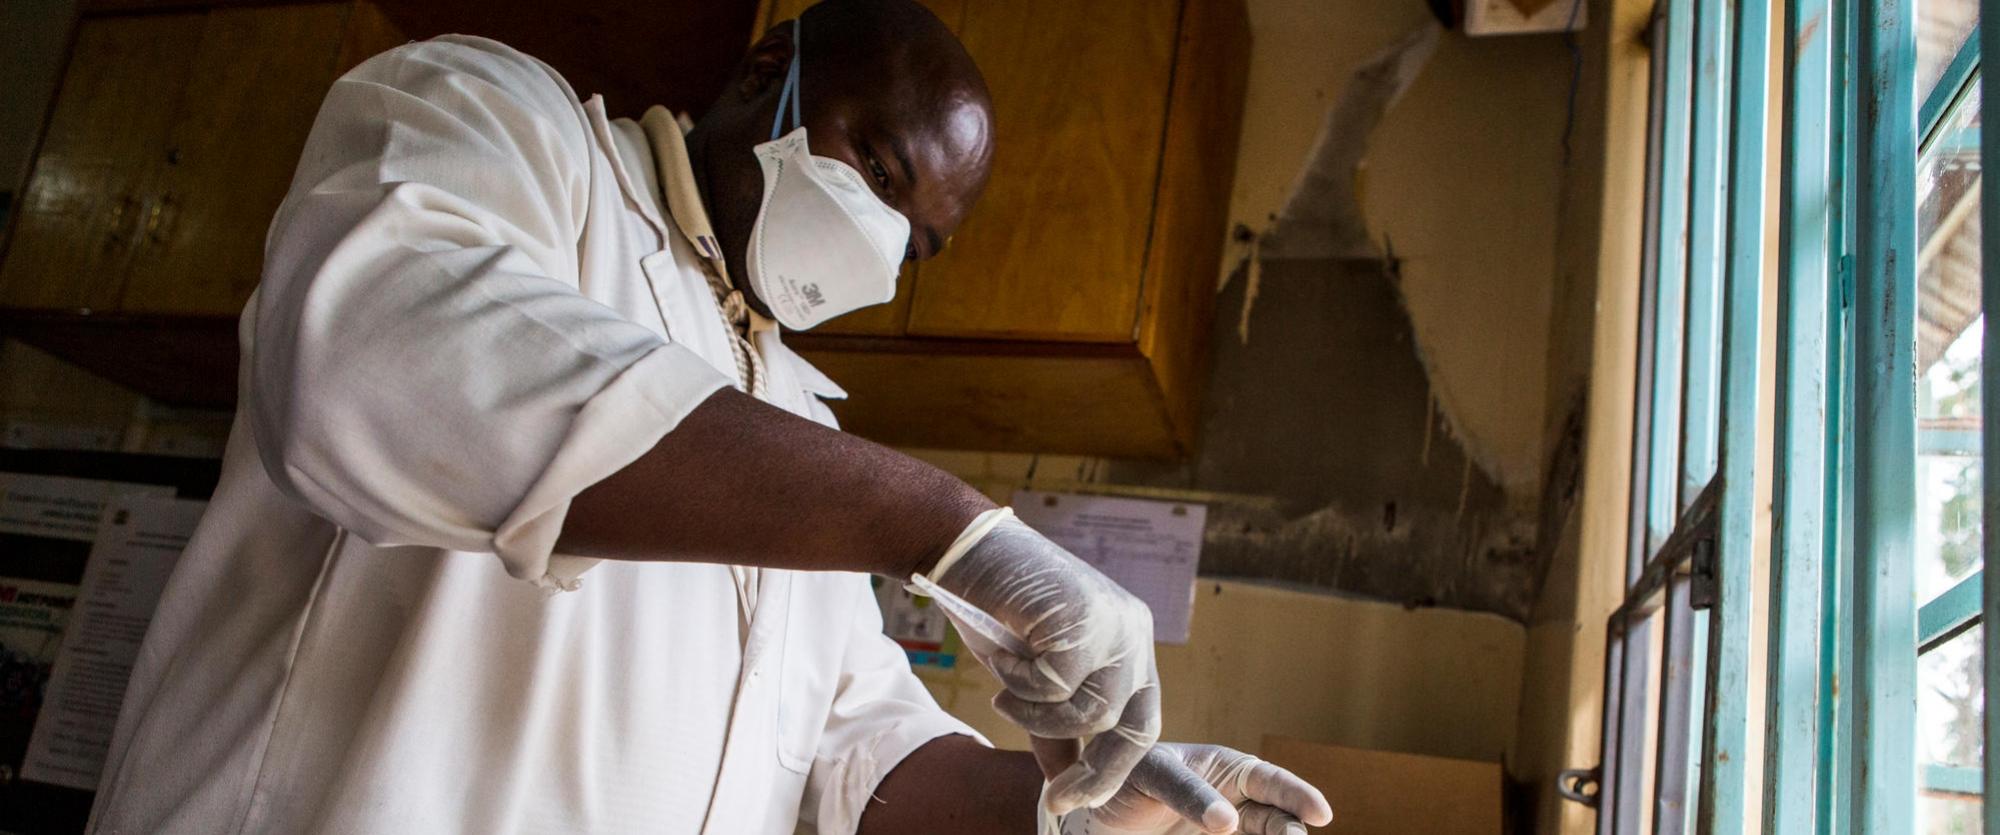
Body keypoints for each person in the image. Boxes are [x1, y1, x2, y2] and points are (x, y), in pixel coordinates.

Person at [89, 1, 1333, 833]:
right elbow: (376, 359)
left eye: (919, 241)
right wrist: (947, 527)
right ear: (764, 74)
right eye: (877, 170)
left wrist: (1074, 812)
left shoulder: (791, 415)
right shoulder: (505, 130)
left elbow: (857, 753)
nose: (881, 239)